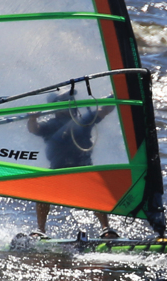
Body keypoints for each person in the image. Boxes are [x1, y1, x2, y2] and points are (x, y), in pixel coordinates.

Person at [26, 98, 119, 239]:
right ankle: (41, 230)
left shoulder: (82, 120)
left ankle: (106, 229)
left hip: (82, 169)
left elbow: (104, 110)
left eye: (69, 100)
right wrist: (32, 118)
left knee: (97, 190)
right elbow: (34, 129)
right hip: (59, 171)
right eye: (63, 101)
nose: (67, 103)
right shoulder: (51, 125)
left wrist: (115, 95)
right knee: (42, 190)